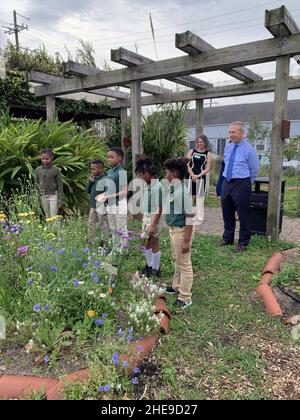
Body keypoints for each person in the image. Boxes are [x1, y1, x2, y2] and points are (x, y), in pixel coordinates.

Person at [220, 122, 259, 252]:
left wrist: (247, 183)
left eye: (234, 132)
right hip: (227, 181)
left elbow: (254, 169)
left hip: (242, 183)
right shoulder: (228, 147)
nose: (231, 135)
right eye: (230, 132)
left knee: (243, 214)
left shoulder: (249, 149)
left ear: (242, 133)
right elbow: (226, 164)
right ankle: (227, 238)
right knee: (227, 211)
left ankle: (243, 242)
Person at [164, 158, 195, 309]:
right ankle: (176, 286)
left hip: (181, 231)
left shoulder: (182, 192)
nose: (165, 174)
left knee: (184, 263)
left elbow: (189, 216)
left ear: (174, 173)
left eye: (167, 172)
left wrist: (186, 240)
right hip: (173, 229)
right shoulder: (173, 188)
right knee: (177, 259)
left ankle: (185, 296)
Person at [135, 157, 163, 278]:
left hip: (153, 217)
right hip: (147, 216)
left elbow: (159, 208)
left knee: (154, 241)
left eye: (141, 175)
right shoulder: (148, 185)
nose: (140, 177)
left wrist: (153, 224)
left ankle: (156, 268)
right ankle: (150, 265)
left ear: (148, 173)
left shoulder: (157, 187)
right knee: (146, 242)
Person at [96, 147, 128, 248]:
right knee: (113, 228)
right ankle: (116, 249)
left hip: (119, 204)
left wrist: (108, 196)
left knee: (121, 228)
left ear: (119, 158)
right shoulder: (109, 172)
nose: (108, 159)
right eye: (108, 157)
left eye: (111, 157)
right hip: (110, 204)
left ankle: (124, 251)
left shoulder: (122, 172)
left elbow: (124, 192)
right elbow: (110, 189)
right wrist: (103, 195)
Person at [186, 135, 212, 225]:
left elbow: (208, 168)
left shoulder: (207, 154)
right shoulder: (191, 151)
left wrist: (198, 176)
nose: (200, 143)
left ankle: (199, 217)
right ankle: (188, 215)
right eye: (198, 142)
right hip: (189, 176)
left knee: (199, 197)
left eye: (202, 142)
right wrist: (192, 174)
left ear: (205, 143)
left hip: (201, 177)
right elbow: (186, 163)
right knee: (188, 196)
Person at [35, 148, 63, 219]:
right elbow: (36, 182)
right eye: (43, 159)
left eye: (47, 159)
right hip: (43, 195)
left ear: (51, 158)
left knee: (54, 215)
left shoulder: (56, 170)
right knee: (47, 215)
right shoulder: (38, 170)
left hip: (53, 195)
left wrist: (60, 198)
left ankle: (56, 230)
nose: (45, 160)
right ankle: (49, 229)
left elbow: (59, 185)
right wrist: (36, 194)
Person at [85, 160, 107, 245]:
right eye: (91, 169)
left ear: (101, 169)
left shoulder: (105, 180)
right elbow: (87, 191)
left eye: (94, 169)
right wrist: (90, 182)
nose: (92, 171)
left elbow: (107, 194)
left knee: (103, 224)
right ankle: (90, 240)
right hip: (93, 205)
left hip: (102, 206)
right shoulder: (93, 179)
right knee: (90, 223)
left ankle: (104, 242)